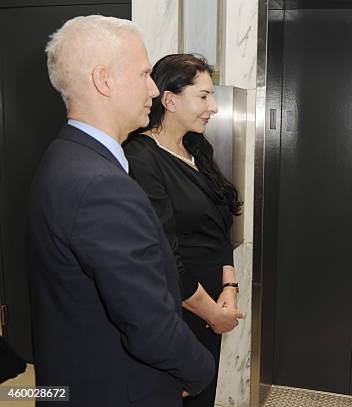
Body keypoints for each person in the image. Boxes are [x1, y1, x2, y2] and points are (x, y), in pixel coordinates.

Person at [27, 16, 216, 407]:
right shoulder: (100, 183)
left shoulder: (64, 155)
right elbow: (149, 325)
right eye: (145, 73)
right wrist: (199, 370)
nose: (153, 87)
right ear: (104, 80)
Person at [123, 54, 243, 407]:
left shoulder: (195, 149)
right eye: (204, 96)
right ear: (170, 100)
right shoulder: (141, 158)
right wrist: (212, 314)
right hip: (180, 313)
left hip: (213, 305)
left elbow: (219, 229)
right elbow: (163, 257)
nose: (214, 108)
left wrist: (230, 288)